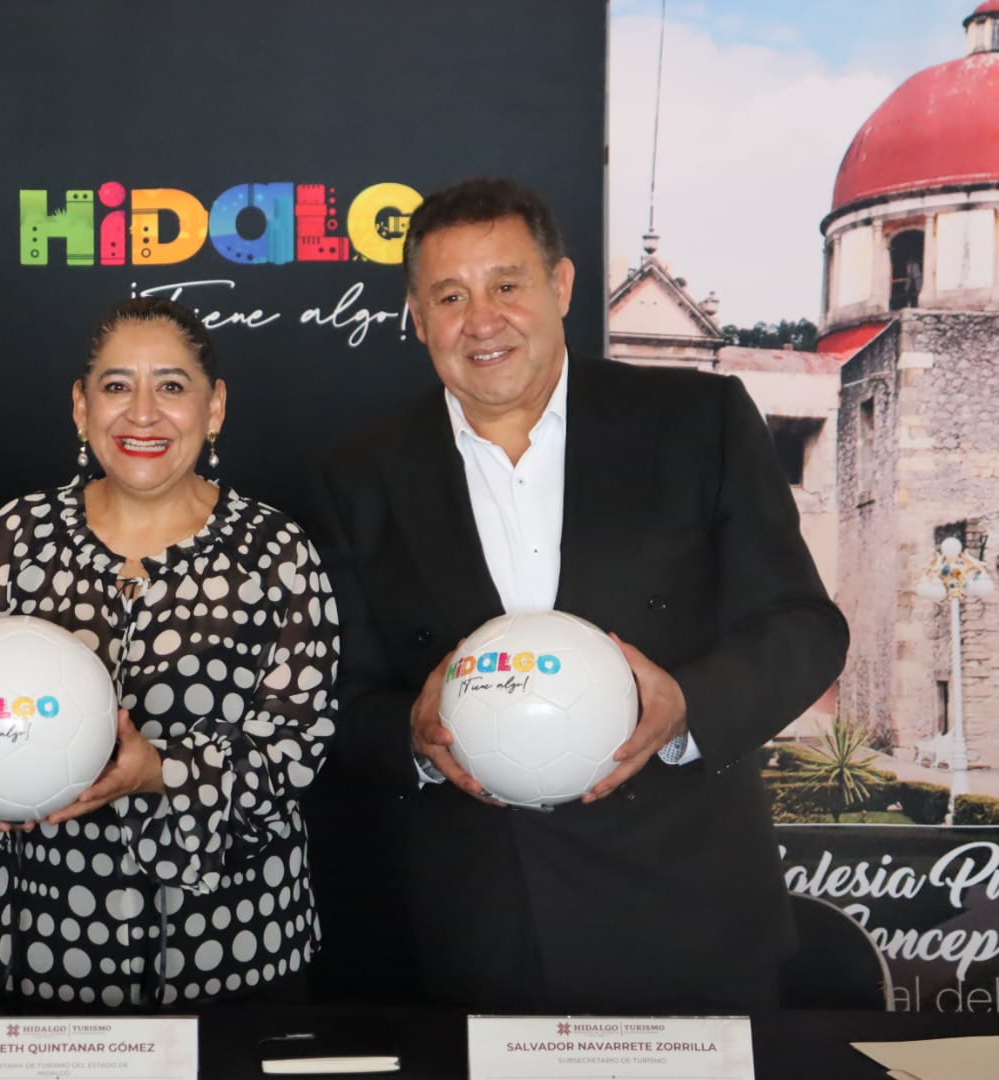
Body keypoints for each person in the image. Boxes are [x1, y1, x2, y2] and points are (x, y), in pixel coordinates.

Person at [307, 177, 848, 1013]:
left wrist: (687, 707)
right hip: (467, 933)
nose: (482, 320)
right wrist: (410, 734)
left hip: (685, 919)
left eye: (507, 285)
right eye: (449, 296)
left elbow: (803, 626)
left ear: (560, 286)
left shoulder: (697, 420)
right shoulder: (356, 474)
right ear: (416, 317)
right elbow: (338, 699)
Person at [0, 297, 338, 1010]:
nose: (142, 414)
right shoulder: (18, 538)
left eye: (171, 386)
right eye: (116, 386)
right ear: (81, 406)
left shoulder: (275, 553)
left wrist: (161, 771)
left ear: (214, 407)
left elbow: (300, 748)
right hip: (37, 957)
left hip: (235, 955)